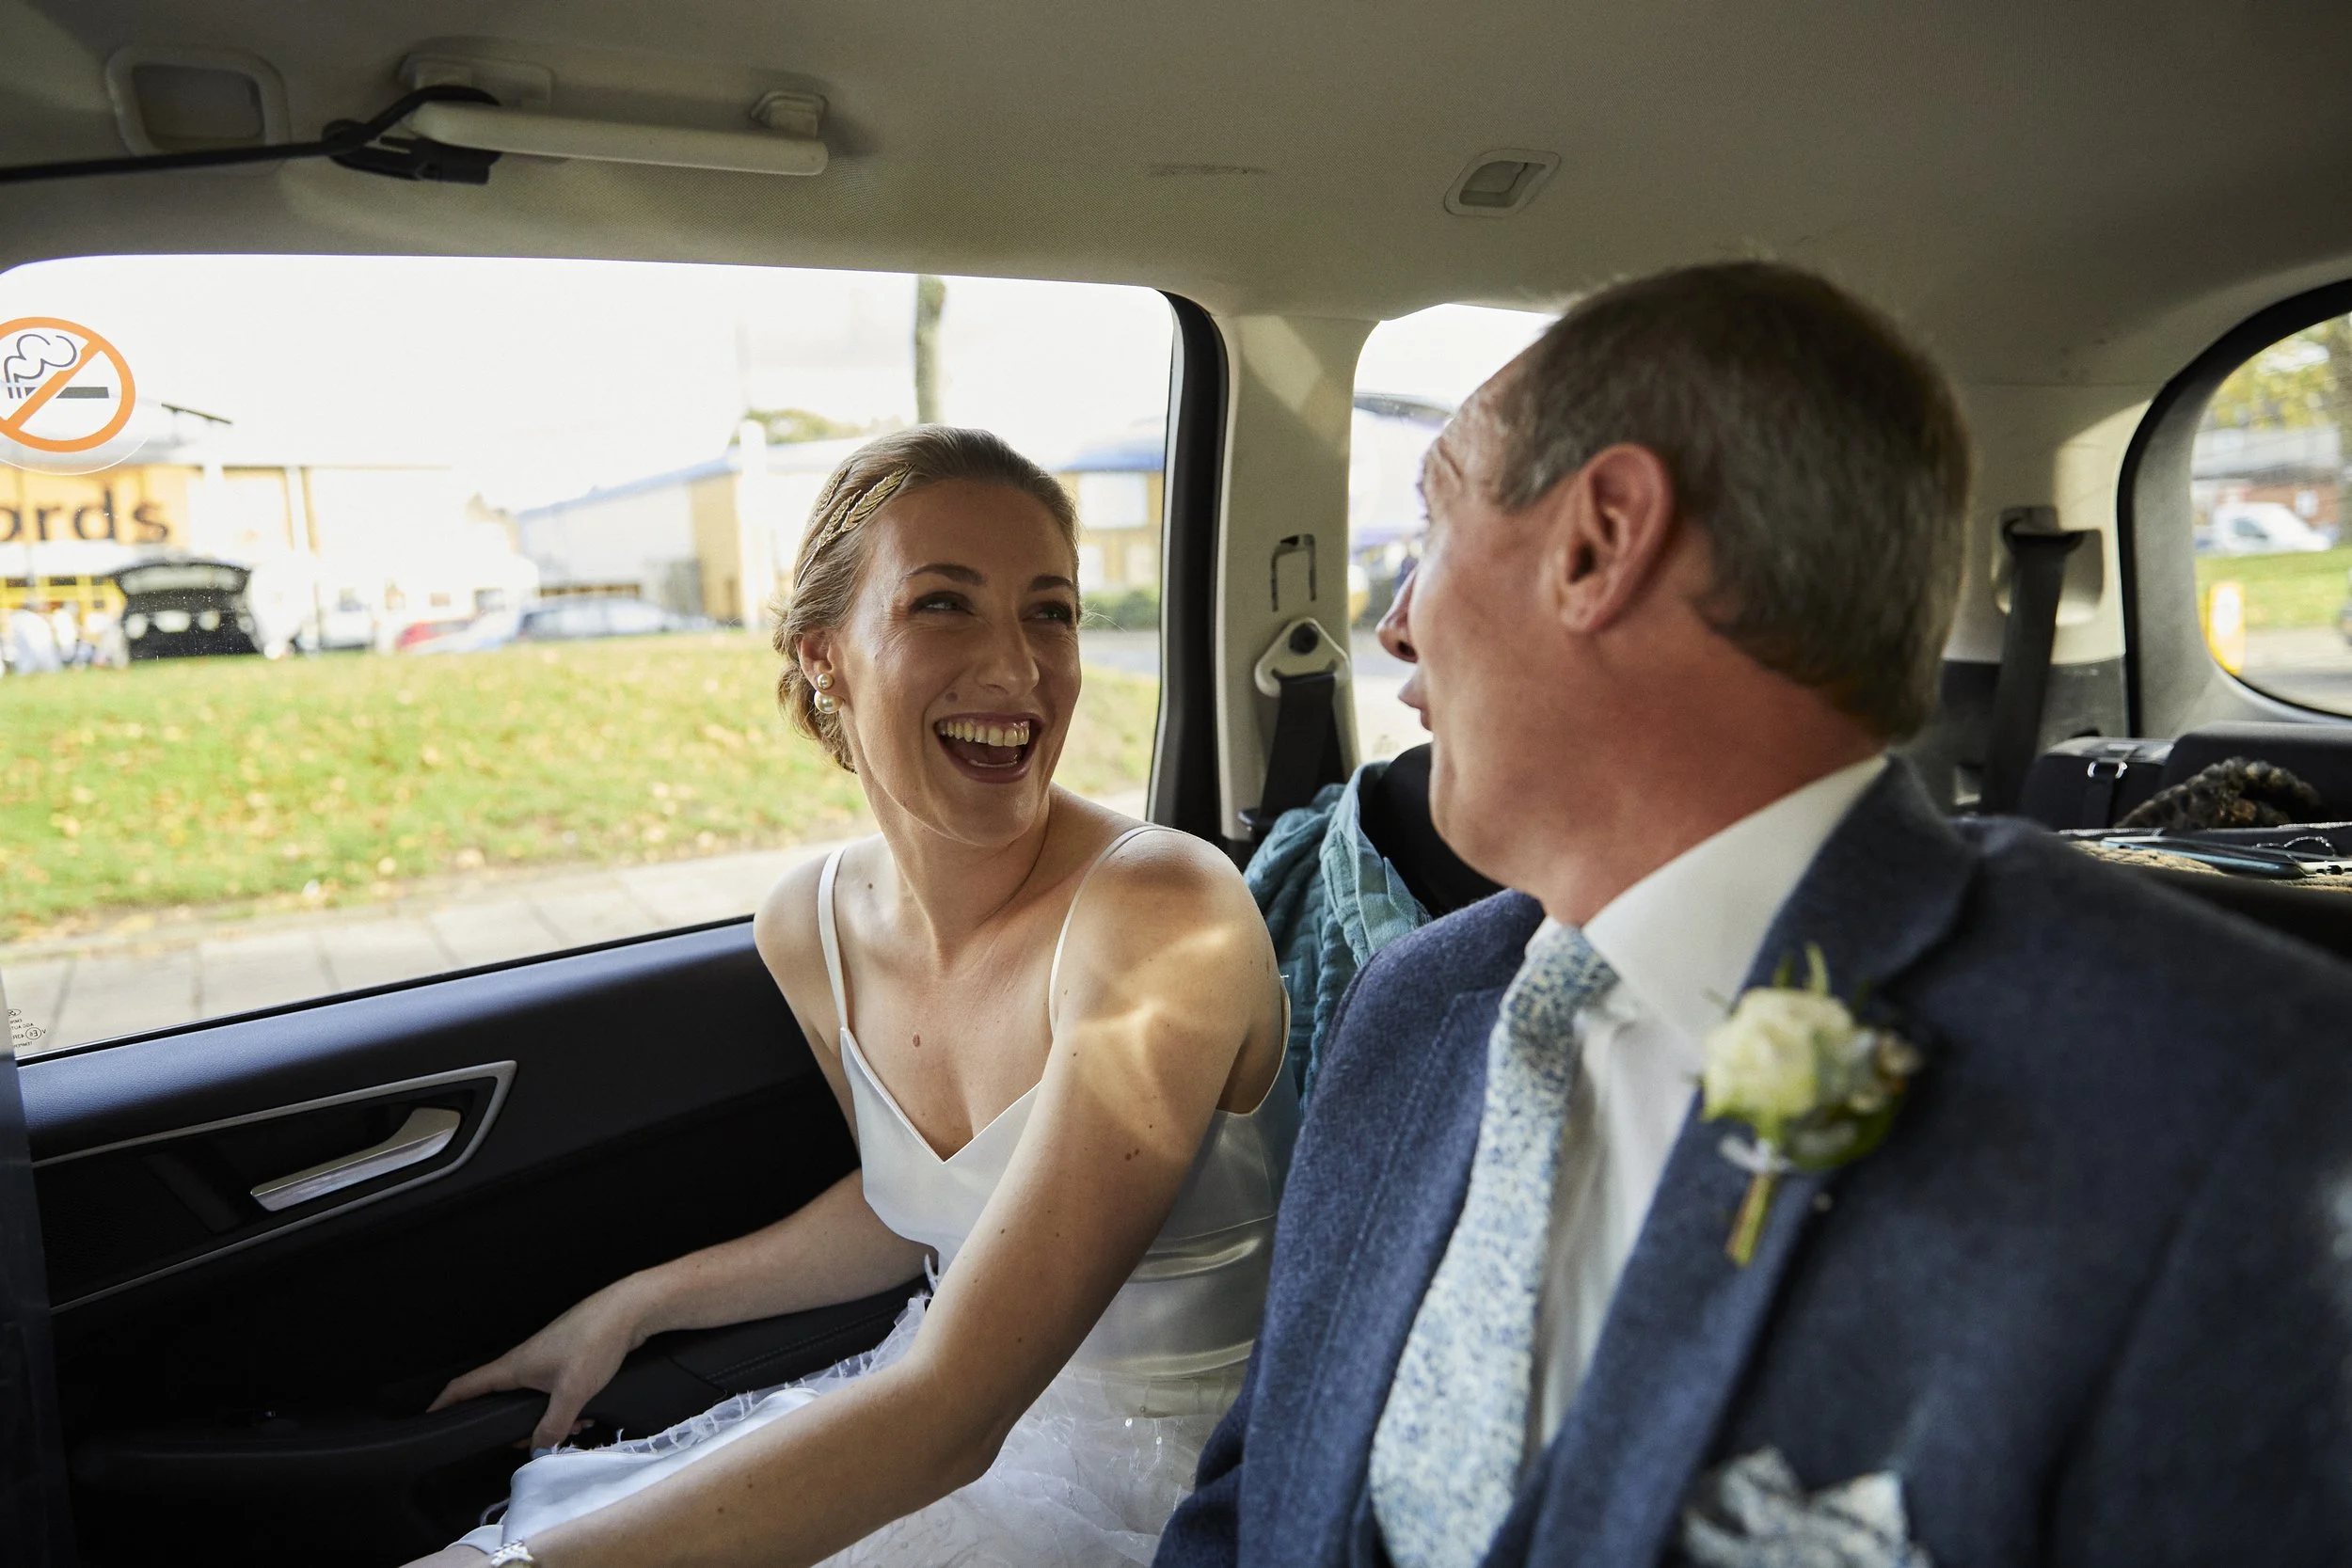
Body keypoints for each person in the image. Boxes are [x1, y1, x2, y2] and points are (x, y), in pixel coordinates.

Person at [1157, 261, 2352, 1568]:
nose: (1391, 628)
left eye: (1431, 525)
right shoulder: (1411, 1009)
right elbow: (1247, 1510)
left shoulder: (2230, 1097)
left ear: (1600, 539)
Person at [412, 427, 1296, 1568]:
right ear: (825, 651)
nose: (1018, 670)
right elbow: (922, 1203)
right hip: (944, 1411)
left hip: (1177, 1475)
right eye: (944, 605)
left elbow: (950, 1418)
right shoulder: (806, 923)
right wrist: (638, 1301)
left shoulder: (1163, 910)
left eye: (1052, 611)